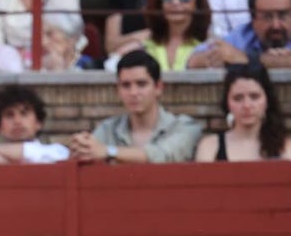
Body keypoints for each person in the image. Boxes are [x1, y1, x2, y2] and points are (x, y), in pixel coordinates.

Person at [70, 49, 201, 163]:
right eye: (126, 85)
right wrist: (81, 146)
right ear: (118, 90)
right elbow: (89, 153)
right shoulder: (108, 129)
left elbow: (161, 155)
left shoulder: (183, 126)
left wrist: (108, 151)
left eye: (141, 84)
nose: (133, 93)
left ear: (158, 87)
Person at [194, 63, 291, 161]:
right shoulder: (210, 147)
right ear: (227, 102)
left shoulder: (284, 147)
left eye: (254, 97)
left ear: (267, 100)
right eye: (238, 98)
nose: (247, 105)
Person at [0, 84, 71, 164]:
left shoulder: (57, 151)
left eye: (24, 114)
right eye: (9, 115)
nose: (17, 121)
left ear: (38, 123)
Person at [132, 0, 212, 71]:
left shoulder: (210, 46)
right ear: (160, 3)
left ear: (197, 3)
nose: (175, 2)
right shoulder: (143, 46)